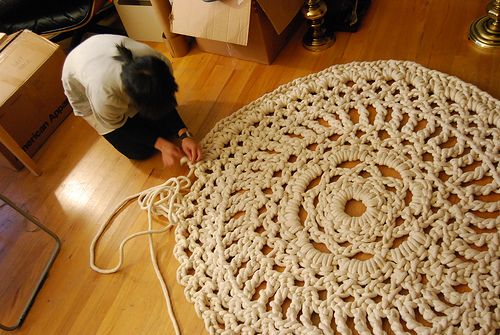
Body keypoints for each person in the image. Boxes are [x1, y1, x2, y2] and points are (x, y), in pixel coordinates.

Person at [61, 34, 203, 167]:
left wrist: (184, 134)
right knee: (139, 151)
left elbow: (164, 101)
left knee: (166, 129)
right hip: (81, 81)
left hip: (101, 48)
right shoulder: (104, 95)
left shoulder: (160, 63)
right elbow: (120, 125)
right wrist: (161, 145)